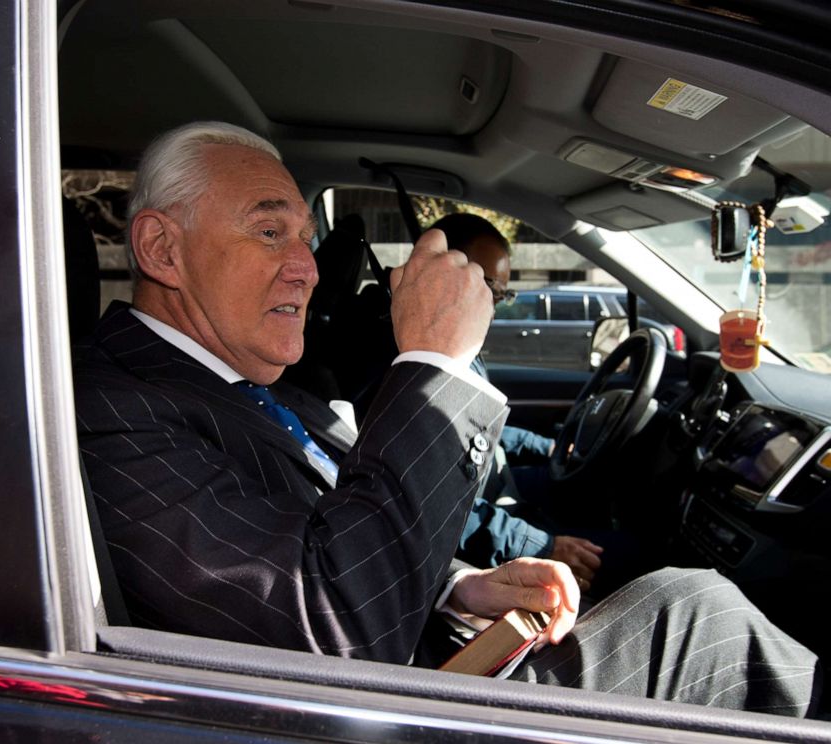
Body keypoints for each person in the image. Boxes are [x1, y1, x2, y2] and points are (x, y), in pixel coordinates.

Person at [74, 121, 820, 716]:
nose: (305, 265)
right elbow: (329, 633)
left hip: (426, 663)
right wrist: (436, 364)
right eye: (270, 232)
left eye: (303, 236)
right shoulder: (113, 411)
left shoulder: (247, 384)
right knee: (692, 620)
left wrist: (458, 588)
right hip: (372, 713)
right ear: (161, 250)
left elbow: (314, 539)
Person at [427, 213, 605, 589]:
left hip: (495, 487)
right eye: (488, 286)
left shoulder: (460, 347)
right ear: (442, 267)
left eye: (502, 295)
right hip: (481, 522)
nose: (493, 306)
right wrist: (543, 546)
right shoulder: (421, 367)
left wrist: (548, 446)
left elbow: (482, 428)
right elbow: (438, 507)